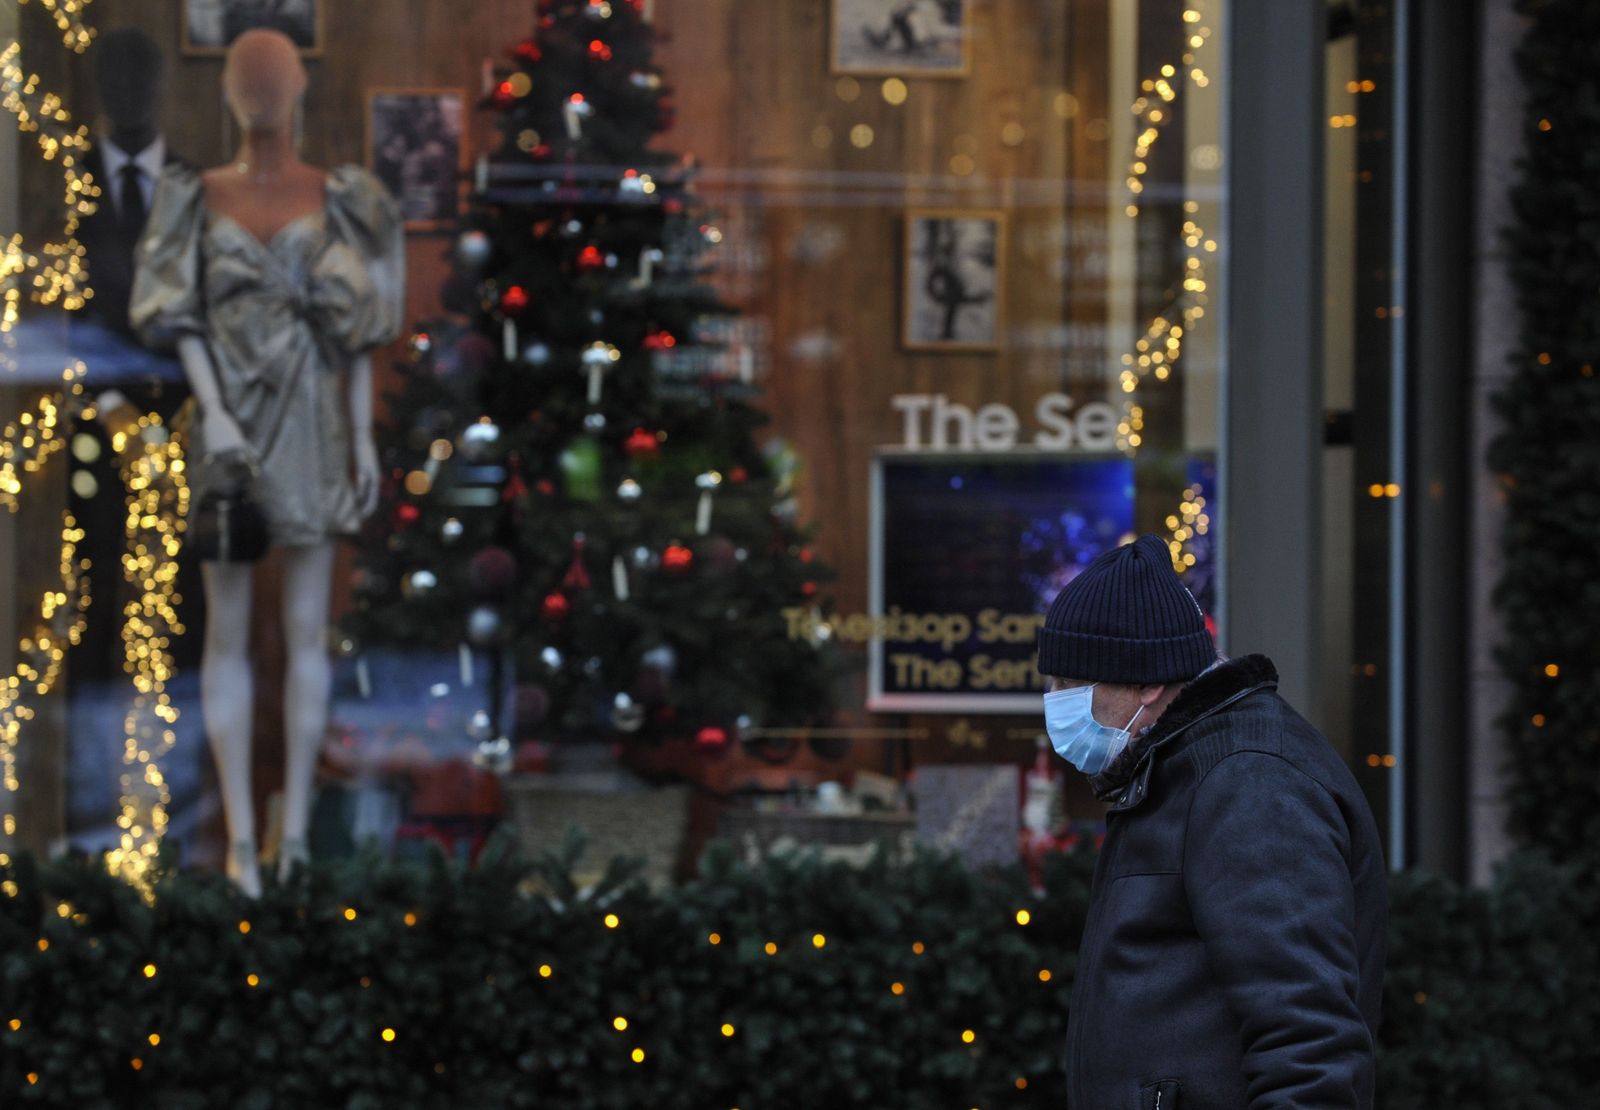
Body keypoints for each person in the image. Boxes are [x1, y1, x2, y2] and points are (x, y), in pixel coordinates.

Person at [130, 29, 403, 897]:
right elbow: (178, 319)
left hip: (317, 419)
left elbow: (354, 329)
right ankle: (243, 841)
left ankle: (293, 841)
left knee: (307, 633)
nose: (260, 89)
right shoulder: (193, 197)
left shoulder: (340, 197)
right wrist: (209, 413)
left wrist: (363, 438)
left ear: (298, 87)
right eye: (246, 76)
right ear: (227, 92)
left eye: (274, 73)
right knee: (227, 633)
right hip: (229, 434)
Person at [1037, 534, 1387, 1109]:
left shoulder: (1250, 783)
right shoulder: (1181, 768)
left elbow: (1310, 1048)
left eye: (1072, 683)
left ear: (1149, 683)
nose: (1054, 702)